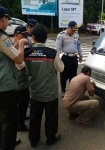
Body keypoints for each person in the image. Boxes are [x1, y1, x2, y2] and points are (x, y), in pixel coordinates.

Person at [23, 24, 64, 147]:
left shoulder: (27, 53)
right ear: (46, 38)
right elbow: (61, 68)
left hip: (35, 92)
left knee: (35, 117)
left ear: (33, 37)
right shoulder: (51, 53)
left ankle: (33, 140)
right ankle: (50, 138)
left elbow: (21, 67)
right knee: (51, 117)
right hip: (50, 93)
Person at [0, 6, 27, 150]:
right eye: (7, 20)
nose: (7, 23)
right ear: (3, 18)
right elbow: (18, 58)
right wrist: (21, 44)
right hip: (5, 86)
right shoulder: (2, 37)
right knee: (9, 121)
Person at [56, 21, 82, 97]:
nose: (74, 31)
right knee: (64, 76)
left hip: (74, 58)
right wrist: (57, 60)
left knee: (73, 76)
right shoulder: (61, 35)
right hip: (65, 58)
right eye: (73, 30)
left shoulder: (76, 35)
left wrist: (80, 55)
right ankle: (63, 90)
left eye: (75, 30)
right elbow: (58, 49)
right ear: (68, 27)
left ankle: (72, 91)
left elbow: (79, 45)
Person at [14, 25, 30, 132]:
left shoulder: (21, 45)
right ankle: (19, 124)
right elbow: (22, 65)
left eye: (26, 35)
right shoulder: (13, 46)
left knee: (23, 101)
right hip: (19, 79)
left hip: (23, 79)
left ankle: (22, 117)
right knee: (21, 102)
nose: (25, 37)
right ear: (16, 35)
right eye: (23, 35)